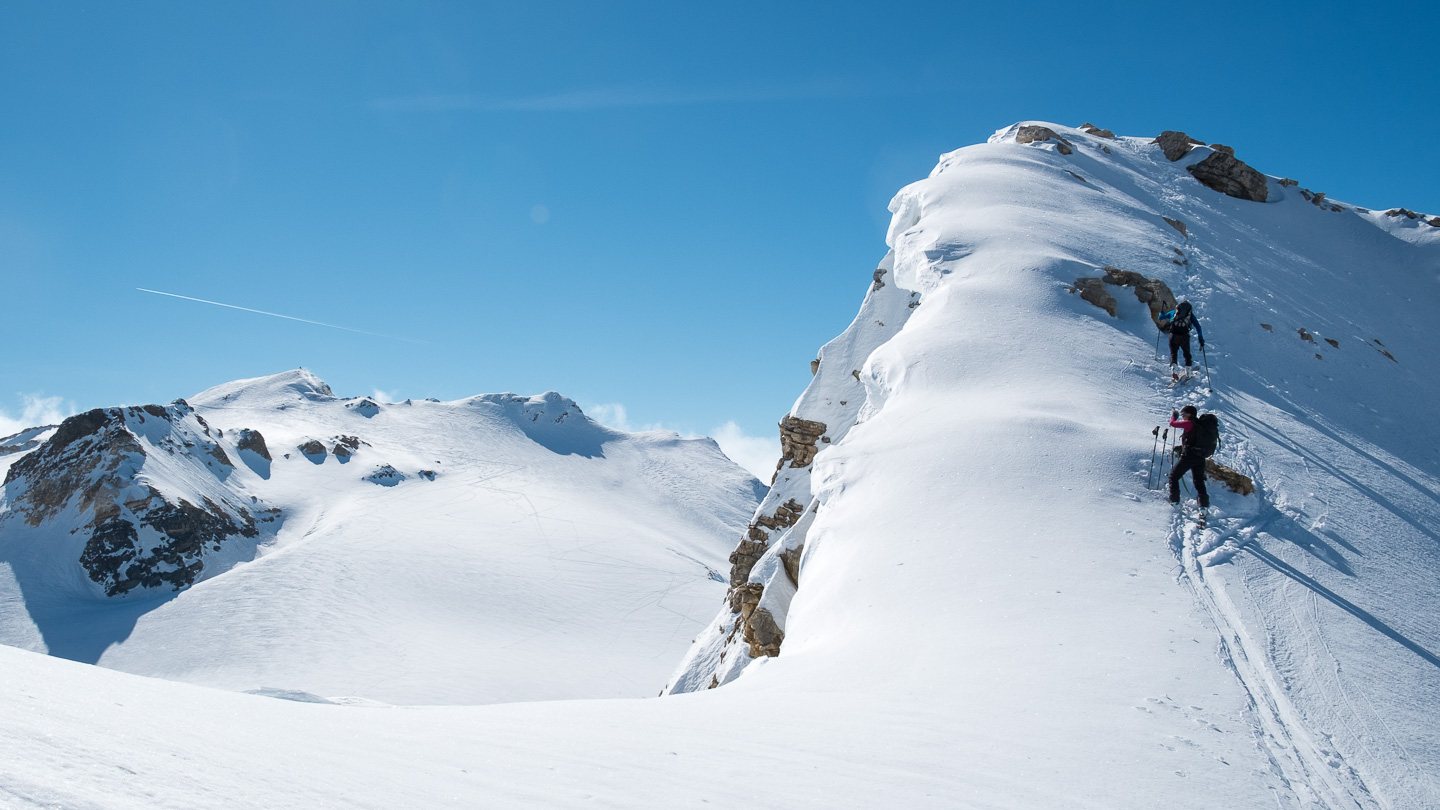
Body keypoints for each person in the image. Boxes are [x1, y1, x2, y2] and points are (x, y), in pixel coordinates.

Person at [1168, 405, 1218, 509]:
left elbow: (1172, 424)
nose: (1183, 416)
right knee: (1199, 481)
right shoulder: (1199, 425)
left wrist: (1174, 417)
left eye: (1184, 414)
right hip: (1200, 457)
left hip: (1188, 456)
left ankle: (1175, 501)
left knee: (1173, 476)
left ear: (1190, 414)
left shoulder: (1189, 423)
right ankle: (1203, 506)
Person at [1160, 300, 1205, 373]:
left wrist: (1161, 312)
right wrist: (1201, 338)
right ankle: (1188, 370)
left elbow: (1161, 317)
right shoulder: (1190, 316)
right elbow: (1198, 326)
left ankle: (1174, 367)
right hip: (1184, 336)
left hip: (1173, 335)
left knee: (1173, 353)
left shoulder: (1174, 313)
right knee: (1187, 353)